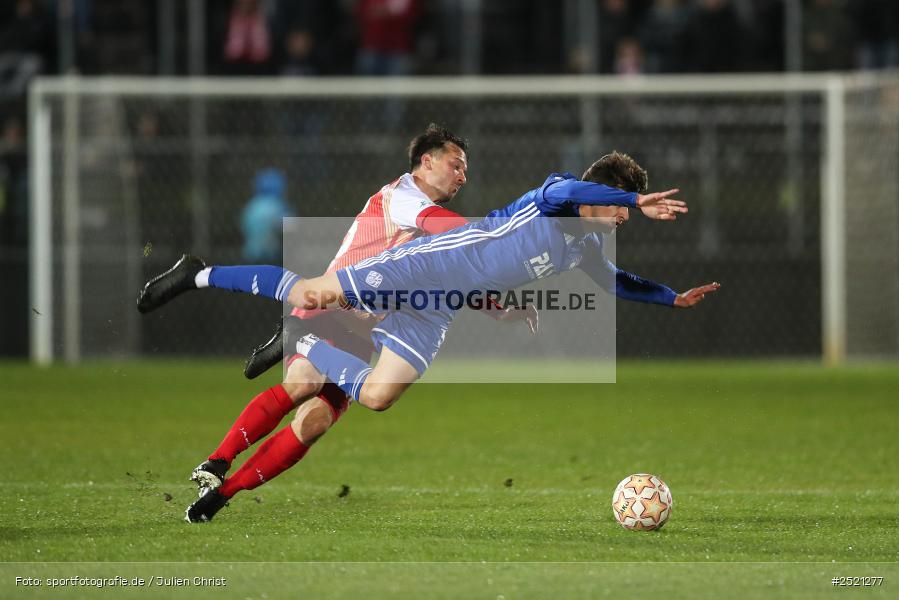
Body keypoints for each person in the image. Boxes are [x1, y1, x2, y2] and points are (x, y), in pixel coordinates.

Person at [139, 151, 719, 522]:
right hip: (426, 266)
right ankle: (197, 272)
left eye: (627, 212)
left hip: (441, 306)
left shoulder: (588, 245)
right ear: (605, 193)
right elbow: (565, 196)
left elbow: (619, 281)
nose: (623, 220)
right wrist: (635, 200)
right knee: (311, 294)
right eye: (619, 206)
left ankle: (306, 352)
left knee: (376, 397)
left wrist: (672, 296)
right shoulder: (558, 193)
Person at [151, 125, 536, 522]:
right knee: (304, 383)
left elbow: (457, 270)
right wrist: (501, 234)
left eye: (464, 170)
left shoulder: (431, 220)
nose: (462, 176)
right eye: (456, 165)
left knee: (314, 423)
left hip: (363, 330)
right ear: (427, 161)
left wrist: (499, 308)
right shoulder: (405, 197)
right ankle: (217, 461)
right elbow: (452, 231)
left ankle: (221, 495)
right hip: (331, 308)